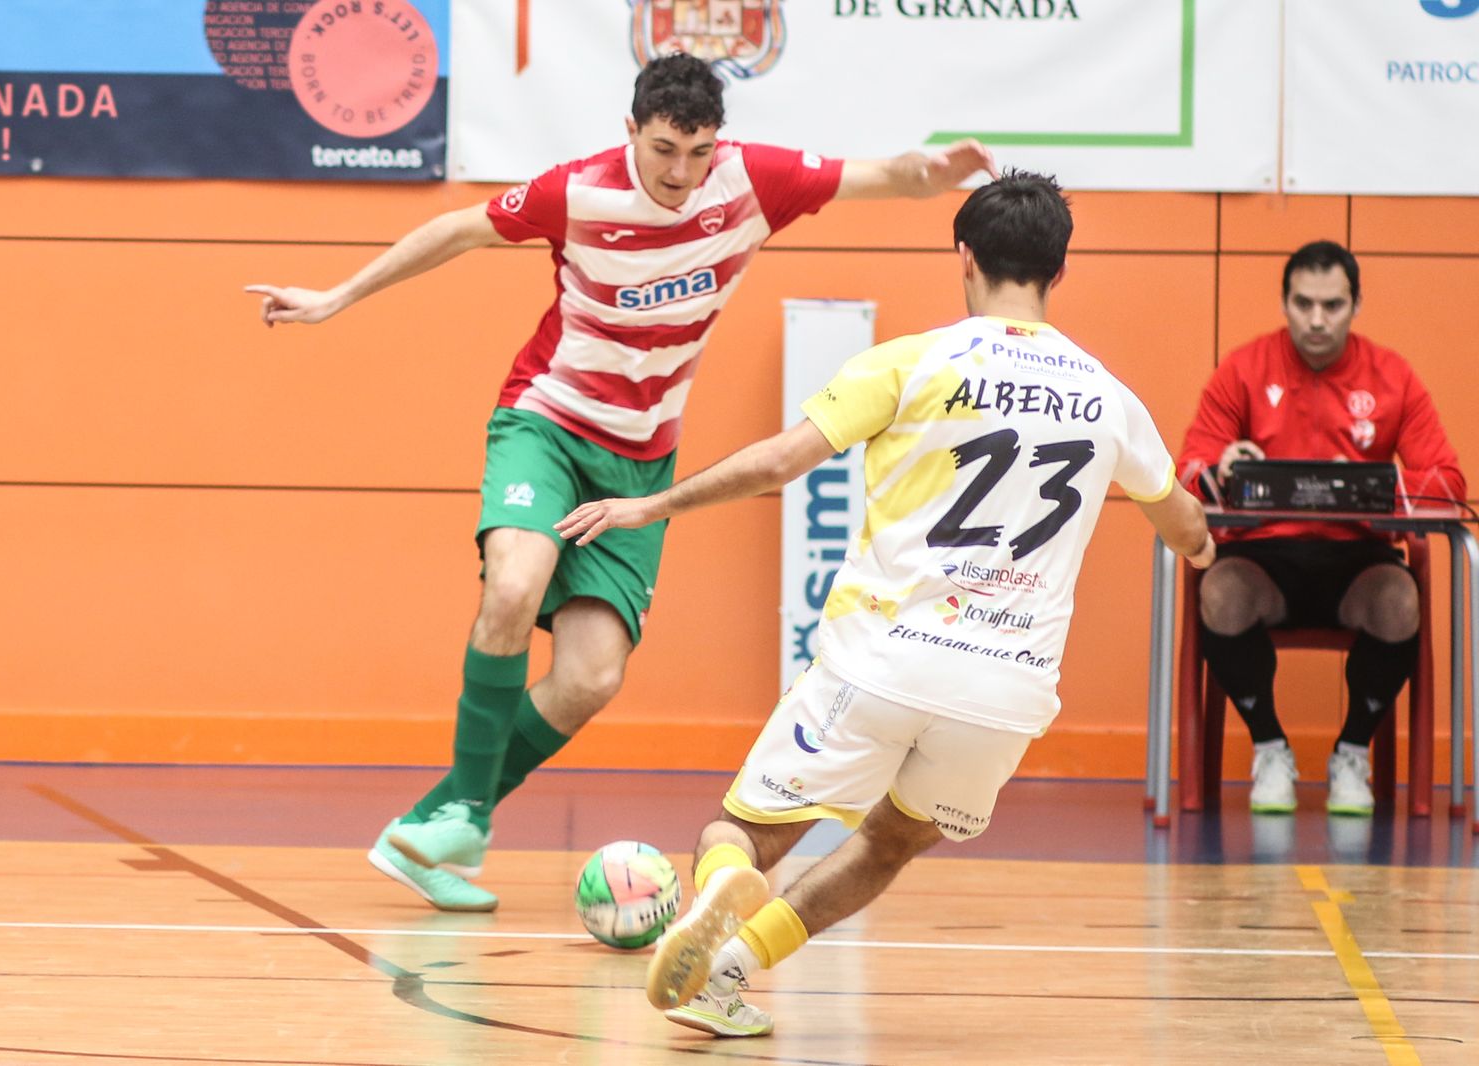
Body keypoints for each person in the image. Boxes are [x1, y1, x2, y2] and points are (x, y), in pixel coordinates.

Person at [244, 53, 999, 912]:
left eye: (698, 153)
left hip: (641, 459)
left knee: (591, 678)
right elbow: (457, 229)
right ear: (631, 132)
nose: (681, 173)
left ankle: (436, 823)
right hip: (547, 423)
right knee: (514, 587)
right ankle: (461, 813)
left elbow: (888, 176)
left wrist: (930, 172)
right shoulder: (577, 192)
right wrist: (336, 297)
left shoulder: (753, 182)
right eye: (664, 150)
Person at [555, 169, 1216, 1037]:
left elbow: (779, 462)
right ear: (1059, 270)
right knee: (890, 840)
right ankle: (728, 973)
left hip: (883, 662)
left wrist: (651, 506)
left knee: (743, 831)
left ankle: (722, 886)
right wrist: (1204, 547)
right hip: (1006, 692)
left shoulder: (911, 363)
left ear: (965, 256)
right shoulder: (1110, 399)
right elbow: (1183, 524)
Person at [1177, 240, 1465, 817]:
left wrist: (1371, 485)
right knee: (1220, 592)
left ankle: (1352, 753)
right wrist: (1220, 470)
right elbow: (1186, 474)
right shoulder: (1243, 369)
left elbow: (1450, 484)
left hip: (1357, 560)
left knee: (1400, 601)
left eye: (1332, 305)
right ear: (1284, 302)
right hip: (1263, 560)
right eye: (1303, 303)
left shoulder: (1393, 376)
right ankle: (1270, 748)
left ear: (1356, 305)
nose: (1316, 319)